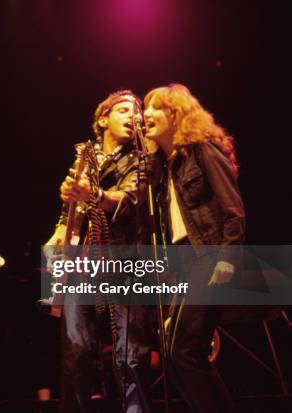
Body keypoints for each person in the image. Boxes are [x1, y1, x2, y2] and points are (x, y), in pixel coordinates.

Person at [46, 90, 157, 413]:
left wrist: (94, 194)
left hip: (126, 261)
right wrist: (59, 230)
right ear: (103, 120)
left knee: (130, 354)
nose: (133, 115)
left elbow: (130, 197)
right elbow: (71, 214)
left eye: (137, 111)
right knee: (75, 352)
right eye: (124, 110)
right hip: (83, 263)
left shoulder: (144, 157)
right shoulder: (85, 157)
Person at [143, 83, 245, 413]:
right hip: (184, 265)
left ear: (176, 114)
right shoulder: (165, 168)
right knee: (175, 358)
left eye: (155, 107)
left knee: (185, 352)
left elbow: (233, 208)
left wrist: (228, 258)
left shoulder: (202, 150)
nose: (146, 114)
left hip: (209, 256)